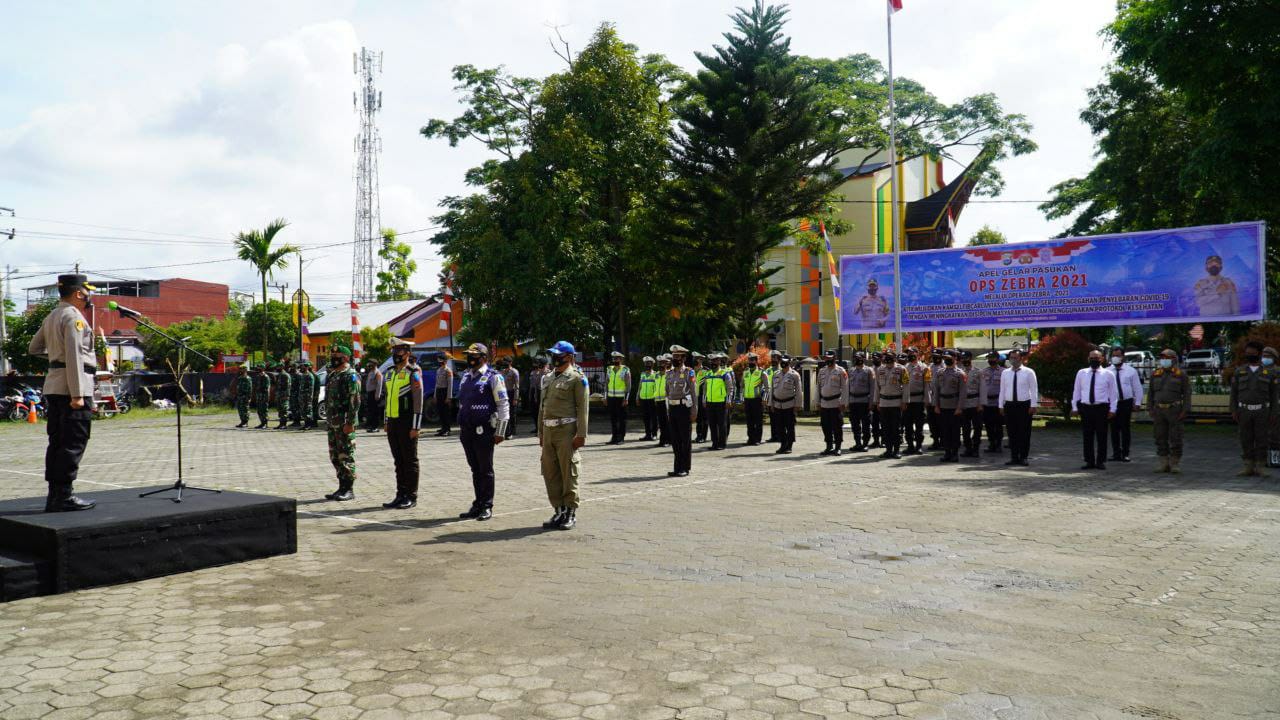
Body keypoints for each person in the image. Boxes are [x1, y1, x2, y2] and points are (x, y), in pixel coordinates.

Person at [27, 273, 99, 512]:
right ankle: (64, 496)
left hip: (55, 385)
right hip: (72, 388)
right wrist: (78, 394)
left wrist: (56, 361)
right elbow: (75, 356)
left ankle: (55, 495)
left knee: (57, 442)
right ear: (79, 292)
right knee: (73, 441)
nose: (89, 296)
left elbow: (34, 348)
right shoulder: (73, 317)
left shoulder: (52, 315)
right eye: (87, 291)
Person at [538, 341, 588, 530]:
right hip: (549, 431)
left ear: (569, 356)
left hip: (567, 431)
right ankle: (558, 510)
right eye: (553, 354)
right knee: (550, 472)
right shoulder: (549, 378)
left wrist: (581, 434)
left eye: (558, 354)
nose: (555, 357)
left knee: (569, 473)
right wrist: (541, 432)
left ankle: (570, 512)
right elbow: (542, 407)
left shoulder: (577, 378)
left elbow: (582, 407)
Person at [456, 344, 508, 520]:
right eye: (469, 355)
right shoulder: (465, 377)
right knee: (475, 469)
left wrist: (500, 431)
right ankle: (478, 503)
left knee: (485, 469)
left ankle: (487, 505)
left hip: (484, 430)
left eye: (475, 355)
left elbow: (503, 404)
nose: (471, 358)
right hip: (467, 430)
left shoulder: (493, 377)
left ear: (484, 357)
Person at [382, 339, 424, 509]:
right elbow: (387, 398)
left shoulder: (413, 371)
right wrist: (386, 420)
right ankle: (400, 494)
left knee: (409, 460)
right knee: (398, 461)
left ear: (407, 353)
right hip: (393, 421)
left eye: (399, 351)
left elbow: (418, 400)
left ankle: (411, 496)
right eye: (394, 351)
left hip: (407, 422)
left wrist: (416, 426)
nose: (395, 354)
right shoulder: (390, 372)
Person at [1229, 340, 1276, 477]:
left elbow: (1274, 397)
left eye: (1252, 353)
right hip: (1244, 411)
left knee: (1262, 439)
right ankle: (1248, 465)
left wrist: (1273, 413)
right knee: (1245, 438)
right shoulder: (1240, 371)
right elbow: (1234, 393)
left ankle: (1260, 466)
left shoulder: (1269, 373)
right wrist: (1233, 410)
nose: (1249, 355)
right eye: (1247, 353)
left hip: (1262, 411)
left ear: (1259, 354)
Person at [323, 346, 361, 501]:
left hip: (344, 422)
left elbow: (355, 400)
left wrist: (350, 422)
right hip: (333, 422)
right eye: (332, 355)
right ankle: (341, 486)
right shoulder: (333, 374)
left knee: (346, 455)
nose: (333, 357)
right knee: (335, 456)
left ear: (345, 358)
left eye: (337, 355)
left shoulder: (350, 375)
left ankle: (349, 489)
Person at [1072, 349, 1119, 470]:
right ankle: (1089, 461)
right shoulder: (1081, 373)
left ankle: (1100, 461)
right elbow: (1076, 391)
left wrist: (1113, 409)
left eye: (1097, 358)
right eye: (1092, 357)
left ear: (1102, 359)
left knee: (1102, 435)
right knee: (1087, 436)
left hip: (1101, 408)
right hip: (1086, 408)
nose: (1094, 360)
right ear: (1088, 359)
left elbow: (1114, 393)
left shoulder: (1108, 374)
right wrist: (1074, 407)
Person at [1148, 348, 1191, 473]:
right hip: (1158, 410)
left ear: (1173, 359)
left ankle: (1175, 463)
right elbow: (1150, 393)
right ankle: (1163, 463)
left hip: (1175, 410)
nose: (1164, 360)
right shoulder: (1155, 374)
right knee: (1159, 436)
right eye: (1162, 358)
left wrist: (1185, 410)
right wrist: (1150, 408)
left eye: (1167, 358)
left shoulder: (1181, 374)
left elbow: (1187, 394)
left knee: (1176, 437)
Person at [999, 349, 1037, 466]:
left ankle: (1024, 457)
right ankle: (1014, 457)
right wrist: (1001, 405)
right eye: (1011, 358)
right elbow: (1002, 390)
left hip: (1024, 405)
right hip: (1010, 405)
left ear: (1021, 358)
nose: (1013, 360)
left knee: (1024, 432)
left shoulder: (1029, 372)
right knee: (1012, 432)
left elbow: (1034, 389)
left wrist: (1033, 405)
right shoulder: (1005, 373)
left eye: (1016, 358)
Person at [664, 345, 698, 477]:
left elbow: (694, 393)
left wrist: (694, 410)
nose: (675, 358)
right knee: (675, 439)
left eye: (678, 356)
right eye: (673, 356)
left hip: (684, 408)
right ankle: (677, 467)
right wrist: (668, 409)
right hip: (672, 408)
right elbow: (667, 392)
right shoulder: (669, 373)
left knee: (685, 439)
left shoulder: (689, 372)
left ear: (684, 358)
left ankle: (685, 467)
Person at [1107, 348, 1143, 463]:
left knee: (1125, 428)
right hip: (1113, 403)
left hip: (1126, 402)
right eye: (1113, 355)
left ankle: (1125, 453)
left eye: (1118, 355)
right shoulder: (1107, 371)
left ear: (1123, 357)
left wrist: (1137, 403)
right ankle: (1116, 453)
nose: (1115, 358)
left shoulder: (1131, 371)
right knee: (1114, 429)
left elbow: (1137, 388)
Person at [873, 352, 909, 459]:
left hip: (896, 402)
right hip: (884, 402)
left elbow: (906, 386)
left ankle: (896, 451)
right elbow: (877, 387)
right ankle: (888, 450)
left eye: (890, 358)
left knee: (896, 428)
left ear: (894, 358)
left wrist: (905, 401)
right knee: (885, 428)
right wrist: (877, 401)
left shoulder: (902, 369)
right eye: (886, 358)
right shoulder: (880, 370)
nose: (888, 360)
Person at [932, 350, 966, 463]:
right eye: (945, 358)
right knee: (944, 431)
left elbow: (963, 392)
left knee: (955, 431)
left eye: (949, 357)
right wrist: (936, 405)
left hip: (954, 406)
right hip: (942, 406)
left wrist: (959, 407)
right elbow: (936, 390)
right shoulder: (940, 372)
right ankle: (947, 453)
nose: (946, 360)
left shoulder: (960, 373)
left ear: (955, 358)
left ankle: (955, 453)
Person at [817, 350, 849, 456]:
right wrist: (818, 401)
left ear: (834, 358)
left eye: (830, 358)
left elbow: (845, 388)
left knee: (837, 426)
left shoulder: (841, 371)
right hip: (824, 403)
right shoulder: (821, 371)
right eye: (826, 358)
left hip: (836, 403)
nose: (828, 360)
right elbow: (818, 388)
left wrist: (843, 403)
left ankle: (838, 447)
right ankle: (828, 446)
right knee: (825, 426)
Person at [770, 356, 801, 454]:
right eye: (782, 361)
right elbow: (772, 390)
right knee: (780, 426)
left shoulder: (794, 375)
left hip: (789, 405)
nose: (783, 363)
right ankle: (783, 444)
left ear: (789, 362)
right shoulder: (776, 374)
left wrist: (797, 405)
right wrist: (771, 403)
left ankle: (789, 446)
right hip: (778, 405)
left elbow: (799, 391)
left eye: (785, 362)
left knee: (790, 426)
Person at [903, 350, 931, 455]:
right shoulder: (904, 368)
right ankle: (910, 446)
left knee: (919, 426)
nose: (911, 355)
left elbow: (927, 385)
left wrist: (927, 400)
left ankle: (919, 446)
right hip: (908, 401)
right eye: (909, 354)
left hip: (919, 401)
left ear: (918, 355)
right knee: (908, 426)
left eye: (913, 354)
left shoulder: (924, 368)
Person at [847, 352, 874, 452]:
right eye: (855, 358)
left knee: (865, 424)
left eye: (859, 358)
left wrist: (871, 402)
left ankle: (865, 443)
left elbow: (872, 387)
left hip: (864, 401)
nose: (857, 360)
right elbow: (848, 387)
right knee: (854, 424)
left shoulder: (869, 371)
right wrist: (847, 401)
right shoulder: (851, 371)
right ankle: (857, 443)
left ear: (863, 358)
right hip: (853, 401)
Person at [959, 351, 984, 458]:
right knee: (965, 428)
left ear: (970, 358)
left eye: (966, 358)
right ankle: (968, 448)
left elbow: (983, 389)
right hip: (964, 404)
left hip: (975, 403)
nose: (964, 360)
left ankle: (976, 448)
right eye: (963, 358)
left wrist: (981, 404)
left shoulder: (978, 372)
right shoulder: (959, 372)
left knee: (977, 427)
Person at [981, 352, 1005, 453]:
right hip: (987, 403)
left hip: (998, 403)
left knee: (998, 425)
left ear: (998, 359)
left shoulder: (1004, 372)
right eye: (989, 358)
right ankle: (991, 443)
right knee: (988, 425)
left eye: (993, 358)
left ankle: (998, 444)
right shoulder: (984, 371)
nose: (991, 360)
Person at [605, 351, 631, 445]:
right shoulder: (609, 369)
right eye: (614, 358)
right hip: (611, 397)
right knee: (613, 418)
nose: (615, 360)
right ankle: (614, 437)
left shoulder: (625, 369)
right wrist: (605, 397)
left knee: (622, 419)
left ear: (621, 359)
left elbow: (628, 385)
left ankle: (621, 438)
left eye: (617, 358)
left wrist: (626, 398)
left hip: (621, 398)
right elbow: (606, 383)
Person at [741, 352, 766, 446]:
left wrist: (765, 399)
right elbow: (742, 386)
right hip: (747, 399)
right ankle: (750, 438)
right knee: (749, 421)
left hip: (757, 400)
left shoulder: (761, 372)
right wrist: (742, 398)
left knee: (758, 421)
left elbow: (767, 388)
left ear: (756, 361)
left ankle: (757, 439)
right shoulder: (745, 372)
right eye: (749, 360)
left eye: (752, 360)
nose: (750, 361)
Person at [496, 356, 520, 439]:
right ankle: (507, 431)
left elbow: (517, 386)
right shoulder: (501, 371)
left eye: (506, 362)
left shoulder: (514, 372)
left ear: (510, 363)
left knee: (512, 413)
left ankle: (512, 430)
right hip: (503, 393)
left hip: (511, 393)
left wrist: (516, 398)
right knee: (504, 413)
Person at [638, 356, 660, 442]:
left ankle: (654, 434)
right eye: (646, 363)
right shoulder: (642, 374)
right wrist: (637, 396)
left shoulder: (655, 374)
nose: (648, 365)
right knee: (645, 417)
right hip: (643, 398)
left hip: (652, 399)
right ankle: (647, 434)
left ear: (653, 364)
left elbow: (657, 387)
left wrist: (656, 398)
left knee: (654, 417)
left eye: (649, 363)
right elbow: (640, 386)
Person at [926, 349, 944, 450]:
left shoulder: (945, 367)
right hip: (931, 398)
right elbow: (927, 383)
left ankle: (943, 441)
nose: (935, 358)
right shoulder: (929, 368)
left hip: (942, 400)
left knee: (941, 421)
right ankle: (935, 441)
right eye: (934, 356)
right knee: (932, 422)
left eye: (938, 356)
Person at [434, 354, 455, 437]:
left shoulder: (448, 371)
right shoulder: (438, 370)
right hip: (439, 391)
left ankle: (447, 429)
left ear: (445, 361)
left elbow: (450, 384)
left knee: (446, 412)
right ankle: (443, 428)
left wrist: (449, 397)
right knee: (440, 411)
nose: (440, 363)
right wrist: (435, 395)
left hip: (445, 392)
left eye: (442, 361)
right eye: (439, 361)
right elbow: (436, 384)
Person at [363, 360, 384, 433]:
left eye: (370, 364)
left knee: (375, 411)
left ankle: (375, 427)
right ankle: (371, 426)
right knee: (370, 411)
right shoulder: (371, 372)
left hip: (374, 394)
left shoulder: (378, 373)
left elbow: (379, 385)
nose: (369, 365)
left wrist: (377, 395)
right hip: (370, 394)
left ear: (374, 364)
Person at [868, 353, 884, 449]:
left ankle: (884, 440)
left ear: (881, 358)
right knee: (874, 422)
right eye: (873, 358)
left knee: (884, 422)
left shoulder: (884, 369)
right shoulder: (870, 370)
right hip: (873, 400)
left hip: (883, 400)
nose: (875, 360)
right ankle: (876, 441)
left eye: (877, 358)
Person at [764, 351, 780, 443]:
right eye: (772, 358)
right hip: (770, 398)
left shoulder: (782, 370)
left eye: (775, 358)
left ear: (779, 359)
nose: (773, 360)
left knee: (779, 418)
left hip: (779, 397)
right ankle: (773, 436)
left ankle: (780, 436)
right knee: (772, 418)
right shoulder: (768, 370)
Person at [692, 353, 709, 443]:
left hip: (702, 397)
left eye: (697, 359)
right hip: (694, 398)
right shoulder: (691, 371)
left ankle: (703, 436)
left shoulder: (706, 371)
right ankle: (698, 435)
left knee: (704, 417)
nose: (695, 360)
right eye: (694, 358)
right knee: (698, 418)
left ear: (701, 360)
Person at [528, 356, 547, 429]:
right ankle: (537, 428)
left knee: (543, 412)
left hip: (543, 393)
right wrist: (533, 396)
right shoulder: (535, 373)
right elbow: (533, 386)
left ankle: (542, 428)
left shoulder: (548, 372)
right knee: (536, 412)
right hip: (536, 393)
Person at [273, 361, 291, 429]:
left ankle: (284, 424)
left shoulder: (285, 375)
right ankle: (281, 423)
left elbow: (287, 387)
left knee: (284, 410)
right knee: (280, 410)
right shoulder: (279, 375)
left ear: (282, 367)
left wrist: (286, 396)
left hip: (284, 396)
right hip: (279, 395)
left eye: (278, 367)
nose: (277, 368)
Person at [252, 364, 271, 429]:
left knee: (264, 410)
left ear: (263, 368)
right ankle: (262, 422)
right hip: (259, 396)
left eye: (259, 367)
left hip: (264, 396)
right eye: (258, 367)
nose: (258, 369)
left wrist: (267, 396)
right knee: (259, 410)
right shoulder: (258, 376)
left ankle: (265, 423)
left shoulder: (266, 377)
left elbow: (267, 388)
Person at [289, 360, 304, 427]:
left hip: (297, 394)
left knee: (297, 408)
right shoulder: (292, 375)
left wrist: (299, 395)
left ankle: (297, 421)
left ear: (296, 367)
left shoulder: (299, 375)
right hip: (292, 394)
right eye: (292, 367)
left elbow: (301, 386)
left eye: (293, 367)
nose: (292, 368)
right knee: (293, 408)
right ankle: (295, 421)